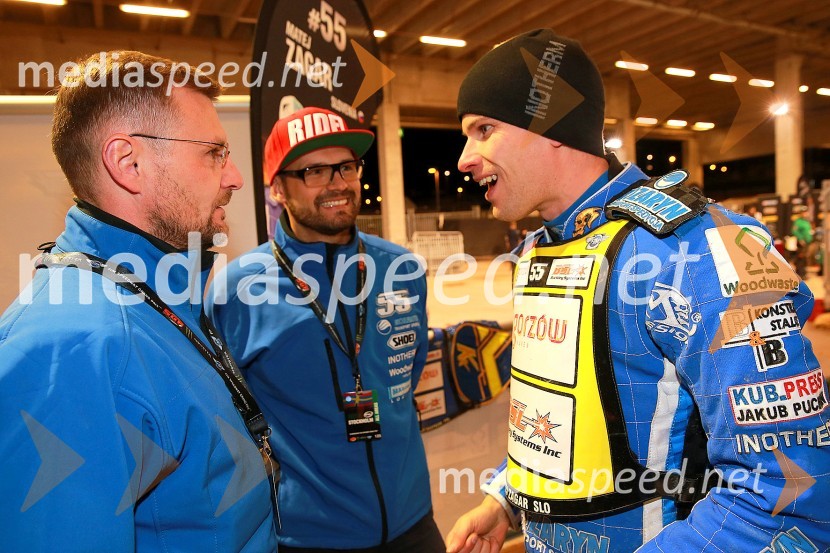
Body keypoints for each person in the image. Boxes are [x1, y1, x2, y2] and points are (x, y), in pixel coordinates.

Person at [446, 29, 830, 552]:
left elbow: (792, 495)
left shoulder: (701, 250)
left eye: (483, 129)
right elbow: (571, 421)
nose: (465, 158)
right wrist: (505, 498)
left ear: (552, 124)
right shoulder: (540, 251)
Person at [0, 51, 277, 551]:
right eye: (214, 152)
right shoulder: (73, 349)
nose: (235, 176)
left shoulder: (158, 299)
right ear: (128, 163)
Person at [205, 106, 444, 552]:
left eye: (346, 167)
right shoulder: (237, 293)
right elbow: (228, 425)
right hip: (310, 537)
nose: (337, 183)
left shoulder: (402, 269)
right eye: (314, 170)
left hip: (415, 524)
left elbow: (406, 379)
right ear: (277, 188)